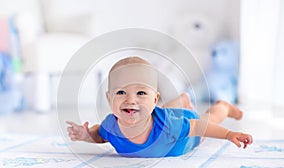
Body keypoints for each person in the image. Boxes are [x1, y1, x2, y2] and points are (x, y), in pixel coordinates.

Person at [66, 56, 253, 158]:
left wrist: (229, 135)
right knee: (143, 111)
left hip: (187, 131)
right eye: (121, 93)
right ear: (109, 98)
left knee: (207, 119)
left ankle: (224, 107)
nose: (130, 100)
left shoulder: (170, 125)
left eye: (141, 93)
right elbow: (100, 135)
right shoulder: (111, 125)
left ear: (155, 99)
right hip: (159, 114)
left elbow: (197, 126)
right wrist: (86, 135)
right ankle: (181, 99)